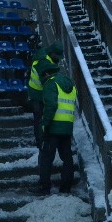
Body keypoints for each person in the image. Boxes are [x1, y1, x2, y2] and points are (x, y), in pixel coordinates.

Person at [37, 62, 77, 195]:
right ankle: (66, 187)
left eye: (44, 75)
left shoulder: (51, 83)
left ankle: (44, 187)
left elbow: (51, 105)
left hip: (53, 127)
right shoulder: (70, 84)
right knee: (67, 158)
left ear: (47, 73)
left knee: (46, 157)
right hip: (67, 127)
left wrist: (44, 124)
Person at [27, 41, 63, 146]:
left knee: (42, 116)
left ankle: (45, 138)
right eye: (57, 56)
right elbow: (47, 79)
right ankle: (40, 141)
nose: (59, 59)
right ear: (52, 53)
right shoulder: (43, 61)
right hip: (37, 94)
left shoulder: (47, 56)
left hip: (39, 92)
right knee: (39, 117)